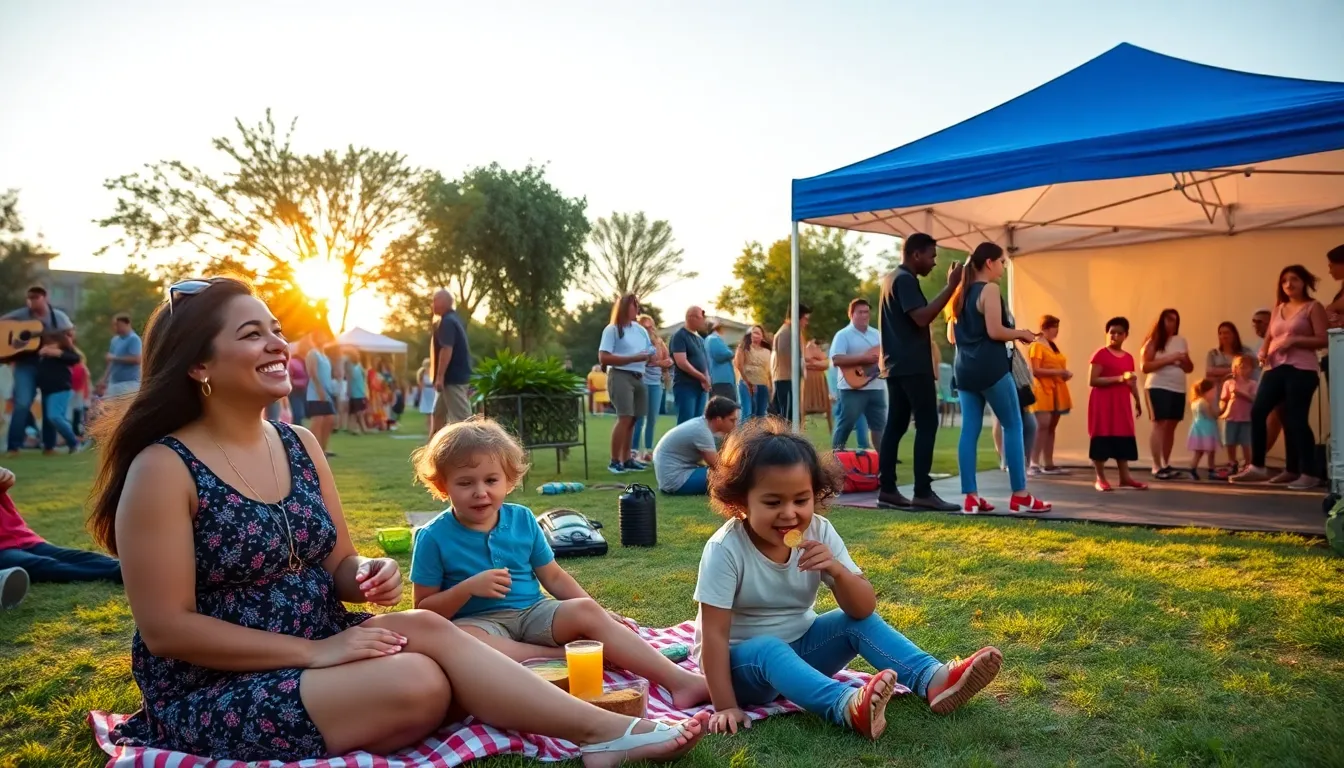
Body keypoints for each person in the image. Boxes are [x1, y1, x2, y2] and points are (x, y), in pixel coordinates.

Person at [85, 277, 708, 764]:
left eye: (276, 330)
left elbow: (339, 564)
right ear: (198, 365)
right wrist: (317, 652)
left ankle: (603, 731)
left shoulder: (299, 444)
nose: (278, 345)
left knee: (428, 644)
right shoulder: (163, 467)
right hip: (219, 683)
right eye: (252, 335)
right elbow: (167, 630)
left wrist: (367, 573)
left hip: (330, 643)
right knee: (421, 685)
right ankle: (603, 733)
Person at [694, 418, 1003, 740]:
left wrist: (836, 571)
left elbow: (863, 609)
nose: (789, 513)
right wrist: (725, 706)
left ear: (816, 495)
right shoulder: (725, 549)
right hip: (743, 670)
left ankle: (934, 680)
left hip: (802, 653)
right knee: (768, 648)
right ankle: (844, 705)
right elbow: (714, 635)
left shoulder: (819, 531)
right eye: (773, 503)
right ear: (740, 503)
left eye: (801, 500)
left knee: (852, 622)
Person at [409, 418, 711, 705]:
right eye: (465, 483)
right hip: (480, 624)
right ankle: (564, 655)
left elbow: (553, 576)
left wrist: (599, 613)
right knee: (464, 640)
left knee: (586, 610)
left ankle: (680, 681)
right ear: (443, 486)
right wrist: (467, 589)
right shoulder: (432, 537)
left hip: (533, 612)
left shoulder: (522, 519)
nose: (480, 492)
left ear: (509, 481)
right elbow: (424, 610)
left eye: (491, 480)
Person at [950, 243, 1051, 514]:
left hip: (964, 370)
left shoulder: (959, 292)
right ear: (989, 263)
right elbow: (995, 331)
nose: (1003, 267)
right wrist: (1022, 334)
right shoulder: (990, 290)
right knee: (1013, 425)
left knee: (969, 431)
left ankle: (971, 497)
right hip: (991, 368)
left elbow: (951, 336)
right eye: (1002, 262)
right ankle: (1020, 494)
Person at [878, 234, 961, 512]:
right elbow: (922, 317)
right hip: (912, 365)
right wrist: (952, 286)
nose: (934, 262)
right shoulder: (904, 280)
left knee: (896, 425)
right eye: (931, 255)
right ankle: (922, 492)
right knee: (927, 424)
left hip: (895, 365)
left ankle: (887, 489)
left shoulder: (890, 279)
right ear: (915, 254)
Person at [1232, 265, 1328, 489]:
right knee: (1259, 411)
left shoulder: (1313, 307)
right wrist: (1263, 352)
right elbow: (1269, 337)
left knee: (1295, 419)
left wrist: (1294, 340)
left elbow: (1323, 339)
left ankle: (1308, 472)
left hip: (1302, 369)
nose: (1289, 284)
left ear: (1304, 282)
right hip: (1275, 368)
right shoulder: (1279, 308)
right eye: (1284, 281)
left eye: (1294, 279)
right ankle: (1258, 466)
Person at [0, 465, 121, 582]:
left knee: (73, 556)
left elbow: (7, 479)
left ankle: (123, 566)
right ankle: (116, 573)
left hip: (23, 538)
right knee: (41, 564)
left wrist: (6, 476)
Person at [4, 285, 74, 456]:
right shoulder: (21, 315)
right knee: (22, 402)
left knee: (48, 404)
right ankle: (13, 447)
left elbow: (70, 338)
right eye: (30, 298)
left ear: (45, 298)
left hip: (49, 365)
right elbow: (3, 325)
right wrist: (13, 341)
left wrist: (60, 344)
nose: (32, 301)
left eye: (36, 297)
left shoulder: (58, 318)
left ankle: (49, 446)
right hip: (25, 363)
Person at [1088, 317, 1147, 492]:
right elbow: (1093, 380)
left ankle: (1125, 477)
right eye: (1112, 332)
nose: (1115, 336)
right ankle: (1100, 478)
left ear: (1125, 335)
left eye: (1119, 333)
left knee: (1123, 437)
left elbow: (1131, 382)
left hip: (1121, 404)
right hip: (1103, 404)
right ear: (1107, 334)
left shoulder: (1128, 358)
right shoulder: (1100, 354)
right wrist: (1119, 379)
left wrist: (1137, 400)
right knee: (1102, 436)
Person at [598, 294, 653, 474]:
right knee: (625, 417)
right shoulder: (612, 330)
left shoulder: (640, 330)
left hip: (639, 376)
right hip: (620, 375)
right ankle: (614, 461)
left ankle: (627, 459)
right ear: (623, 307)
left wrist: (650, 356)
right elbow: (604, 357)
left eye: (637, 304)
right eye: (633, 305)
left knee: (634, 418)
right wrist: (633, 358)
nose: (637, 308)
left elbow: (648, 350)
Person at [1140, 309, 1194, 480]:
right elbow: (1145, 366)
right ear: (1161, 321)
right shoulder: (1153, 342)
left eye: (1175, 320)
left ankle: (1165, 463)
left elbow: (1189, 368)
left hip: (1178, 388)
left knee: (1171, 426)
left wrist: (1184, 361)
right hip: (1158, 386)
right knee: (1160, 424)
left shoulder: (1181, 341)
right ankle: (1156, 466)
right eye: (1169, 319)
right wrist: (1169, 359)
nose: (1172, 323)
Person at [653, 396, 741, 495]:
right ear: (718, 420)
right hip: (676, 481)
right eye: (732, 420)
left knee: (731, 475)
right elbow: (717, 466)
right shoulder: (702, 431)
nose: (735, 425)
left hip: (672, 476)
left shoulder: (701, 425)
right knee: (730, 477)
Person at [829, 299, 886, 451]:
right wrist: (863, 359)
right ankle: (836, 457)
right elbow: (836, 359)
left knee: (879, 426)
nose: (864, 315)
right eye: (860, 312)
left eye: (866, 312)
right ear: (851, 314)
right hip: (851, 388)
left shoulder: (877, 334)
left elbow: (886, 357)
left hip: (876, 387)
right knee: (846, 423)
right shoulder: (843, 335)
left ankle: (883, 460)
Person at [1027, 315, 1072, 474]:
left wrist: (1063, 374)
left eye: (1057, 327)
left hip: (1057, 389)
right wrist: (1059, 372)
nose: (1056, 330)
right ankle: (1033, 462)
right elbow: (1036, 370)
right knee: (1042, 425)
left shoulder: (1052, 346)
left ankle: (1048, 462)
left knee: (1051, 426)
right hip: (1042, 389)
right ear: (1045, 328)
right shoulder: (1037, 346)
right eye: (1054, 327)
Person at [631, 313, 673, 464]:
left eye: (651, 326)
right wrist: (659, 362)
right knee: (639, 418)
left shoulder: (659, 342)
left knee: (652, 419)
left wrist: (666, 362)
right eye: (645, 326)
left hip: (656, 384)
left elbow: (668, 359)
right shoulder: (637, 342)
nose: (649, 329)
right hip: (642, 382)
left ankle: (648, 451)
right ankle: (634, 451)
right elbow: (644, 361)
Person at [430, 290, 472, 435]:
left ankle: (471, 446)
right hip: (452, 378)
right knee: (438, 415)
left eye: (435, 301)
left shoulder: (447, 322)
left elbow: (447, 349)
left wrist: (440, 377)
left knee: (463, 420)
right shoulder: (454, 320)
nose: (432, 305)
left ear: (443, 302)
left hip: (453, 379)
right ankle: (434, 445)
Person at [36, 330, 83, 454]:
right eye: (47, 343)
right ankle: (50, 446)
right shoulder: (43, 355)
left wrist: (58, 353)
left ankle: (74, 442)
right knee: (48, 420)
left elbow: (76, 358)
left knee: (55, 416)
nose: (48, 346)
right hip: (46, 390)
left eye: (52, 343)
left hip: (60, 389)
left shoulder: (64, 354)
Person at [670, 306, 711, 424]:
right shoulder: (679, 336)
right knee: (686, 423)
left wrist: (706, 377)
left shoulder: (700, 339)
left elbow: (703, 361)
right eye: (701, 318)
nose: (703, 321)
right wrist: (701, 377)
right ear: (691, 317)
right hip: (685, 387)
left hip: (700, 387)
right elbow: (681, 362)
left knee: (698, 423)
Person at [770, 306, 809, 424]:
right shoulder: (785, 333)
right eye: (805, 319)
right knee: (786, 417)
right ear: (797, 318)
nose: (806, 323)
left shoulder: (793, 332)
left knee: (791, 415)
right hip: (785, 379)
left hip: (790, 379)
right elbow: (785, 356)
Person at [1220, 355, 1257, 472]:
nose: (1243, 370)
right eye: (1240, 367)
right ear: (1234, 368)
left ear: (1251, 369)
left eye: (1247, 367)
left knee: (1246, 442)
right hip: (1231, 417)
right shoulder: (1228, 383)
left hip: (1246, 418)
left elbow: (1254, 399)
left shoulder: (1252, 384)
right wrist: (1221, 409)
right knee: (1230, 441)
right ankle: (1232, 462)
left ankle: (1248, 463)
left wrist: (1242, 394)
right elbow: (1223, 399)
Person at [304, 325, 337, 455]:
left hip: (327, 392)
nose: (324, 338)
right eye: (321, 335)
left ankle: (323, 449)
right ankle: (311, 450)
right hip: (316, 393)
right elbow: (312, 372)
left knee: (329, 419)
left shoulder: (325, 355)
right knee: (318, 421)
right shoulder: (313, 353)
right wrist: (319, 390)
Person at [734, 325, 772, 421]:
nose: (755, 335)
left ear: (762, 336)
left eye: (757, 333)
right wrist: (748, 383)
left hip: (762, 385)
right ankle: (745, 431)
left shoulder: (768, 351)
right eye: (753, 332)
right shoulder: (743, 348)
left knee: (761, 414)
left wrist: (770, 386)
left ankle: (758, 431)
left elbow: (769, 371)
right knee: (747, 413)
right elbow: (739, 365)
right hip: (746, 384)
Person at [101, 313, 143, 398]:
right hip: (114, 382)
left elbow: (137, 359)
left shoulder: (134, 339)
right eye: (115, 325)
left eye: (118, 325)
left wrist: (115, 358)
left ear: (127, 324)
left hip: (129, 383)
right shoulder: (115, 340)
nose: (116, 327)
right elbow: (111, 363)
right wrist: (104, 379)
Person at [1186, 379, 1221, 480]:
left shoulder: (1195, 402)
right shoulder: (1204, 403)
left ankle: (1192, 469)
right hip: (1207, 430)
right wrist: (1223, 409)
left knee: (1199, 452)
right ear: (1206, 391)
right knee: (1211, 452)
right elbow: (1213, 415)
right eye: (1213, 392)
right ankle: (1211, 470)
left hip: (1198, 430)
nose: (1214, 395)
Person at [705, 321, 738, 402]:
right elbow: (721, 355)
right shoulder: (714, 339)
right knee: (727, 406)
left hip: (719, 381)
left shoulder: (710, 339)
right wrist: (731, 353)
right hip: (722, 381)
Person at [286, 338, 308, 426]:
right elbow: (289, 376)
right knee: (297, 413)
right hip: (295, 390)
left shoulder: (303, 360)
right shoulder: (292, 361)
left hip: (302, 389)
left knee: (300, 413)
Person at [347, 355, 368, 435]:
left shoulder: (357, 368)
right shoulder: (356, 368)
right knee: (357, 412)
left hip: (357, 393)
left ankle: (355, 428)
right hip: (357, 394)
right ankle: (358, 428)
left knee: (355, 412)